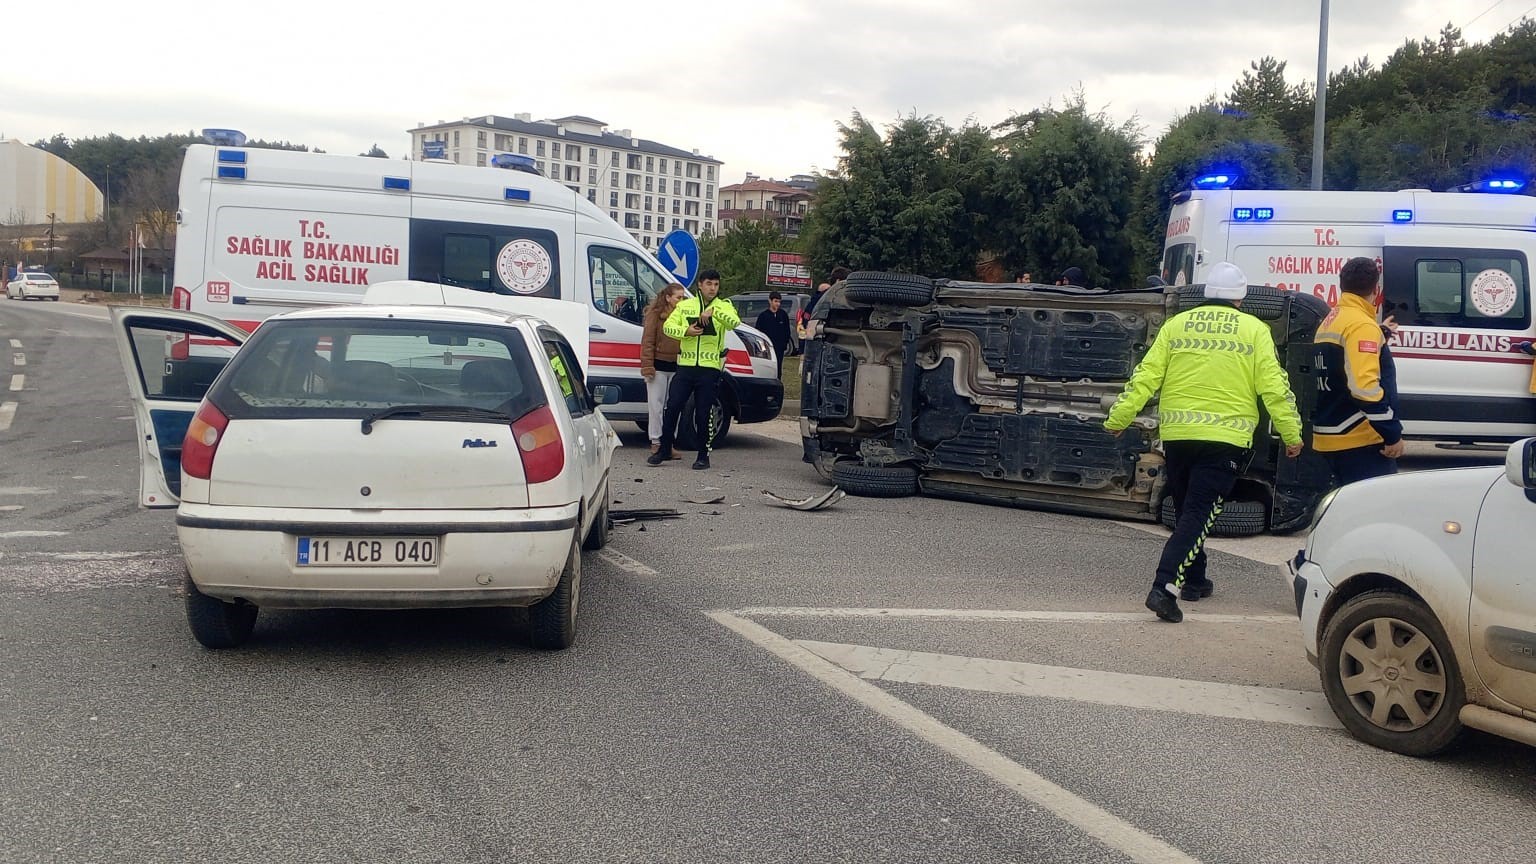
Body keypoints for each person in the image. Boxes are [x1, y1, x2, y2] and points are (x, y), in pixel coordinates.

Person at [1105, 261, 1304, 623]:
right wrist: (1292, 435)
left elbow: (1146, 376)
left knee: (1186, 508)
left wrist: (1120, 418)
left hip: (1179, 436)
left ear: (1207, 294)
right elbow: (1275, 388)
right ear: (1241, 299)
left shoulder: (1176, 325)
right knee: (1198, 514)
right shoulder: (1255, 330)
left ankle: (1195, 580)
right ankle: (1165, 587)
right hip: (1225, 440)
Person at [1312, 257, 1404, 483]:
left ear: (1342, 283)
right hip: (1359, 440)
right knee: (1373, 512)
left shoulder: (1333, 319)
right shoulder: (1361, 325)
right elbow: (1364, 388)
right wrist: (1391, 433)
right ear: (1376, 289)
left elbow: (1344, 360)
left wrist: (1380, 333)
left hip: (1332, 435)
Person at [648, 269, 741, 470]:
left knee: (703, 412)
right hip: (686, 367)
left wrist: (713, 312)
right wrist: (686, 331)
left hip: (709, 369)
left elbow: (734, 323)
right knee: (672, 407)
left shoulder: (725, 306)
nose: (712, 288)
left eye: (716, 284)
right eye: (709, 284)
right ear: (700, 285)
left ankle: (703, 455)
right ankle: (664, 449)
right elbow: (668, 327)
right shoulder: (685, 306)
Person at [640, 282, 686, 459]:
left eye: (683, 298)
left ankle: (668, 443)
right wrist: (647, 366)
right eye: (678, 297)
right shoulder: (656, 314)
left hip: (676, 365)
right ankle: (656, 442)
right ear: (668, 298)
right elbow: (648, 340)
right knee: (656, 406)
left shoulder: (683, 315)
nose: (681, 301)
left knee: (672, 406)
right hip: (657, 366)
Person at [754, 291, 794, 378]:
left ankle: (777, 384)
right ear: (770, 301)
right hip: (767, 348)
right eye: (776, 301)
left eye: (779, 302)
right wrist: (762, 347)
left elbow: (787, 331)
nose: (778, 304)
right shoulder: (763, 316)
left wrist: (784, 344)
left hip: (779, 348)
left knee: (778, 367)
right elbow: (758, 333)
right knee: (767, 367)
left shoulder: (783, 315)